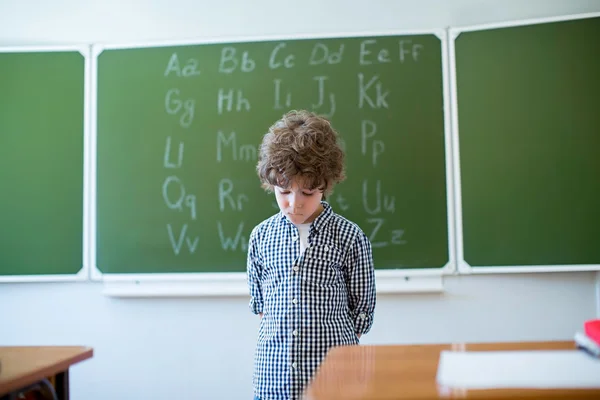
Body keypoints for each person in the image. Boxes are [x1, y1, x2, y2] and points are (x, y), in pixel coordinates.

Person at [246, 110, 377, 400]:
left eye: (307, 192)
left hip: (335, 382)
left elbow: (361, 313)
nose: (294, 204)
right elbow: (262, 308)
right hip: (273, 380)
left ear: (325, 185)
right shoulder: (261, 237)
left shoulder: (349, 237)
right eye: (284, 191)